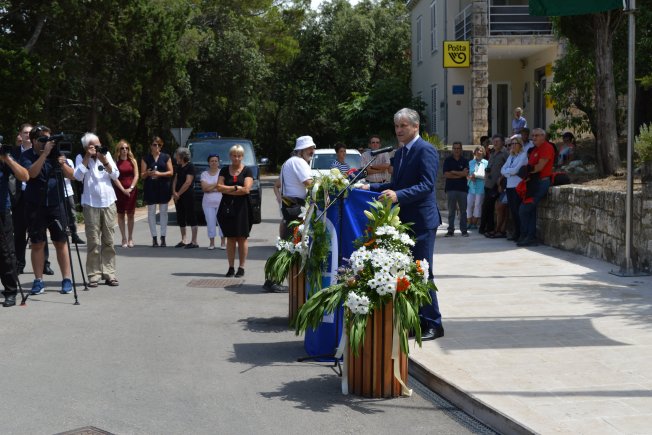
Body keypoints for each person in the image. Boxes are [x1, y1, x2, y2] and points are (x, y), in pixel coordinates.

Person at [363, 108, 443, 341]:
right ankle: (416, 321)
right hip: (405, 221)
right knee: (408, 272)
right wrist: (369, 187)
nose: (399, 130)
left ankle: (434, 323)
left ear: (416, 127)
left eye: (403, 126)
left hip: (422, 221)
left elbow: (426, 185)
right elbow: (396, 185)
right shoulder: (400, 153)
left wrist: (398, 196)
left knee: (422, 271)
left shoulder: (425, 150)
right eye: (397, 126)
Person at [19, 125, 75, 295]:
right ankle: (38, 280)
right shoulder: (27, 155)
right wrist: (44, 155)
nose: (47, 142)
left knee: (60, 241)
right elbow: (32, 174)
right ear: (34, 141)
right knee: (37, 243)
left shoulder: (56, 153)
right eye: (43, 139)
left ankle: (66, 279)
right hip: (35, 205)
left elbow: (71, 175)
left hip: (56, 203)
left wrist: (62, 163)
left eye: (49, 139)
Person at [266, 135, 316, 292]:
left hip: (290, 206)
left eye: (313, 148)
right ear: (301, 150)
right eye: (309, 148)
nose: (312, 151)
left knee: (286, 244)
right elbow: (309, 183)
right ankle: (272, 280)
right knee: (288, 245)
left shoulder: (290, 162)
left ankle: (273, 279)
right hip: (295, 207)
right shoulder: (299, 162)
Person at [74, 133, 120, 287]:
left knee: (109, 240)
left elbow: (115, 175)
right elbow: (78, 176)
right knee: (93, 241)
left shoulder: (106, 155)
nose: (98, 148)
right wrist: (88, 157)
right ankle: (93, 274)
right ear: (87, 147)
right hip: (90, 204)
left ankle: (109, 273)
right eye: (94, 145)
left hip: (108, 202)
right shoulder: (81, 157)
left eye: (99, 144)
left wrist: (105, 161)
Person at [217, 144, 253, 277]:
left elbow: (246, 190)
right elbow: (219, 187)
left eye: (239, 156)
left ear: (242, 157)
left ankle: (241, 267)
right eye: (234, 155)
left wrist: (228, 189)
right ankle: (231, 267)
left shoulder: (247, 171)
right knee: (230, 238)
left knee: (242, 237)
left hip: (243, 207)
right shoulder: (224, 170)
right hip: (227, 207)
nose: (236, 158)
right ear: (230, 156)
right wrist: (236, 188)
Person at [1, 147, 30, 306]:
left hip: (2, 211)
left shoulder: (4, 160)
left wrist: (7, 158)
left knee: (6, 253)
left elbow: (24, 176)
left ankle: (10, 291)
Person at [518, 128, 555, 247]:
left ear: (543, 136)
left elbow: (539, 167)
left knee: (524, 209)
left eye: (536, 135)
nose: (533, 137)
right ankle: (529, 237)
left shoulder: (547, 147)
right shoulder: (534, 149)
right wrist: (527, 171)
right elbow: (530, 166)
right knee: (530, 211)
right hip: (533, 182)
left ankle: (528, 236)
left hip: (541, 182)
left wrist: (527, 170)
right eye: (532, 135)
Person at [141, 136, 173, 247]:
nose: (157, 147)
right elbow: (142, 175)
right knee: (151, 212)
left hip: (163, 187)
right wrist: (148, 173)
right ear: (151, 146)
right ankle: (154, 238)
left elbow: (171, 172)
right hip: (150, 187)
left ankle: (163, 237)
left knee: (163, 212)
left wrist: (160, 174)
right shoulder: (146, 158)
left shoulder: (166, 157)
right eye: (155, 144)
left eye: (159, 145)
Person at [479, 135, 508, 235]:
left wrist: (501, 181)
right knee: (488, 207)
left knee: (488, 206)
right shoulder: (492, 153)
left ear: (502, 142)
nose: (495, 143)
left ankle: (486, 228)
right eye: (494, 141)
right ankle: (488, 228)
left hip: (496, 184)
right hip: (488, 183)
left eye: (497, 141)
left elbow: (507, 168)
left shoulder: (505, 153)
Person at [501, 135, 528, 242]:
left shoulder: (523, 155)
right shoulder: (511, 156)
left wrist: (508, 172)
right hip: (509, 186)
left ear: (520, 145)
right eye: (511, 144)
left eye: (514, 143)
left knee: (518, 211)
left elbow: (516, 170)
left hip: (517, 186)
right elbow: (502, 169)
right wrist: (510, 172)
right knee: (513, 211)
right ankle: (516, 233)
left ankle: (522, 234)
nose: (512, 145)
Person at [112, 140, 139, 248]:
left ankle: (130, 238)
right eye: (122, 148)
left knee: (131, 214)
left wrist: (131, 188)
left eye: (126, 148)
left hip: (131, 190)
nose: (124, 150)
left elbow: (136, 175)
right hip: (120, 190)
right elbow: (114, 177)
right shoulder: (115, 161)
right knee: (121, 214)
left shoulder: (132, 161)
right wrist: (123, 189)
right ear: (119, 149)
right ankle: (123, 238)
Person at [172, 147, 198, 249]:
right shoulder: (178, 166)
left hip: (188, 195)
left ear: (182, 156)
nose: (176, 157)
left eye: (177, 155)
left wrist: (178, 194)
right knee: (180, 216)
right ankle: (184, 239)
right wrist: (174, 192)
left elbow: (188, 182)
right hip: (178, 196)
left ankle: (194, 241)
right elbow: (175, 179)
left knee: (191, 216)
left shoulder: (190, 166)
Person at [443, 141, 469, 237]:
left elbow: (466, 174)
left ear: (461, 149)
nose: (457, 150)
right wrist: (460, 174)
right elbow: (446, 174)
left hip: (462, 189)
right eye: (455, 148)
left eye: (458, 148)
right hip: (451, 189)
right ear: (452, 149)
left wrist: (453, 172)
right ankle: (450, 230)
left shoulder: (465, 160)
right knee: (451, 211)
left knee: (463, 211)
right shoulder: (447, 160)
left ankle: (464, 230)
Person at [200, 154, 225, 250]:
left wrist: (211, 187)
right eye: (212, 161)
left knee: (222, 223)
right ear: (208, 163)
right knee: (210, 223)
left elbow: (223, 188)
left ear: (218, 162)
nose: (214, 163)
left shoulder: (222, 173)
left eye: (215, 161)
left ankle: (223, 242)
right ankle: (212, 243)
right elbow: (205, 189)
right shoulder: (204, 174)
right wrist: (216, 185)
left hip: (221, 202)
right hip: (208, 203)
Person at [466, 146, 487, 230]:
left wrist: (476, 176)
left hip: (481, 186)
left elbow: (486, 176)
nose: (479, 152)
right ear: (475, 152)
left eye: (481, 150)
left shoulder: (486, 163)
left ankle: (474, 223)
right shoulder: (471, 162)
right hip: (471, 186)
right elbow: (467, 174)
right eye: (477, 150)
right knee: (469, 204)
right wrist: (470, 177)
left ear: (483, 152)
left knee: (478, 205)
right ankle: (469, 222)